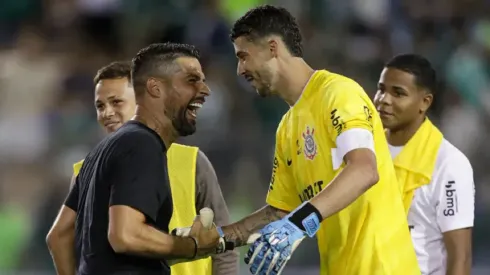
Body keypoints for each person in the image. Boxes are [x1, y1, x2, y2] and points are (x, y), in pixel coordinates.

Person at [177, 5, 419, 275]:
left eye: (243, 56)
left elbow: (364, 169)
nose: (239, 69)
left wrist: (300, 222)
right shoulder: (287, 128)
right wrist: (218, 239)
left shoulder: (338, 93)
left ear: (272, 48)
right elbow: (281, 213)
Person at [46, 43, 220, 275]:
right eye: (99, 105)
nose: (106, 112)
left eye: (116, 102)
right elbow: (124, 235)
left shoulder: (90, 161)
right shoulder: (141, 146)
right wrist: (193, 246)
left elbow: (58, 236)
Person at [374, 54, 474, 275]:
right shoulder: (365, 151)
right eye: (381, 89)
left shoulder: (449, 164)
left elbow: (460, 257)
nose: (384, 99)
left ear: (425, 102)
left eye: (398, 93)